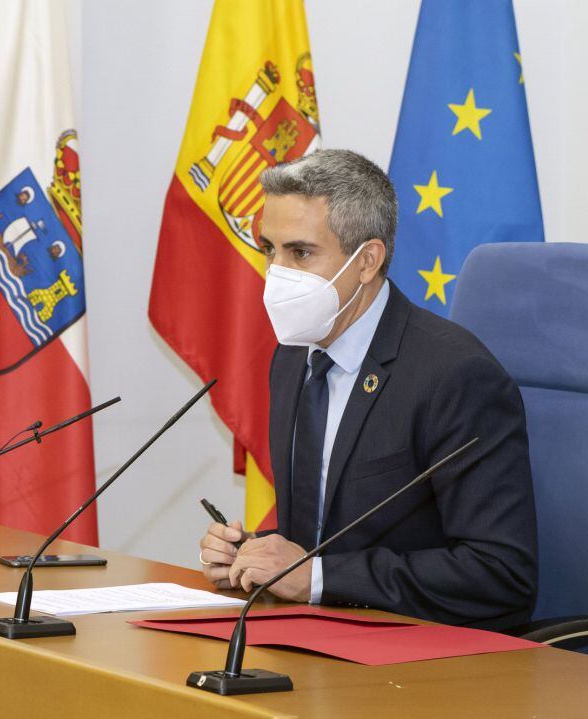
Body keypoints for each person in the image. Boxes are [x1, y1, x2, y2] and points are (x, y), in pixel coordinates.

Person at [198, 149, 538, 630]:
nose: (277, 273)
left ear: (367, 261)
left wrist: (313, 577)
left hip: (425, 655)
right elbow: (331, 536)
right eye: (268, 249)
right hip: (323, 635)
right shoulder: (294, 357)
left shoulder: (454, 375)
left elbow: (500, 574)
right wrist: (255, 555)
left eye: (300, 252)